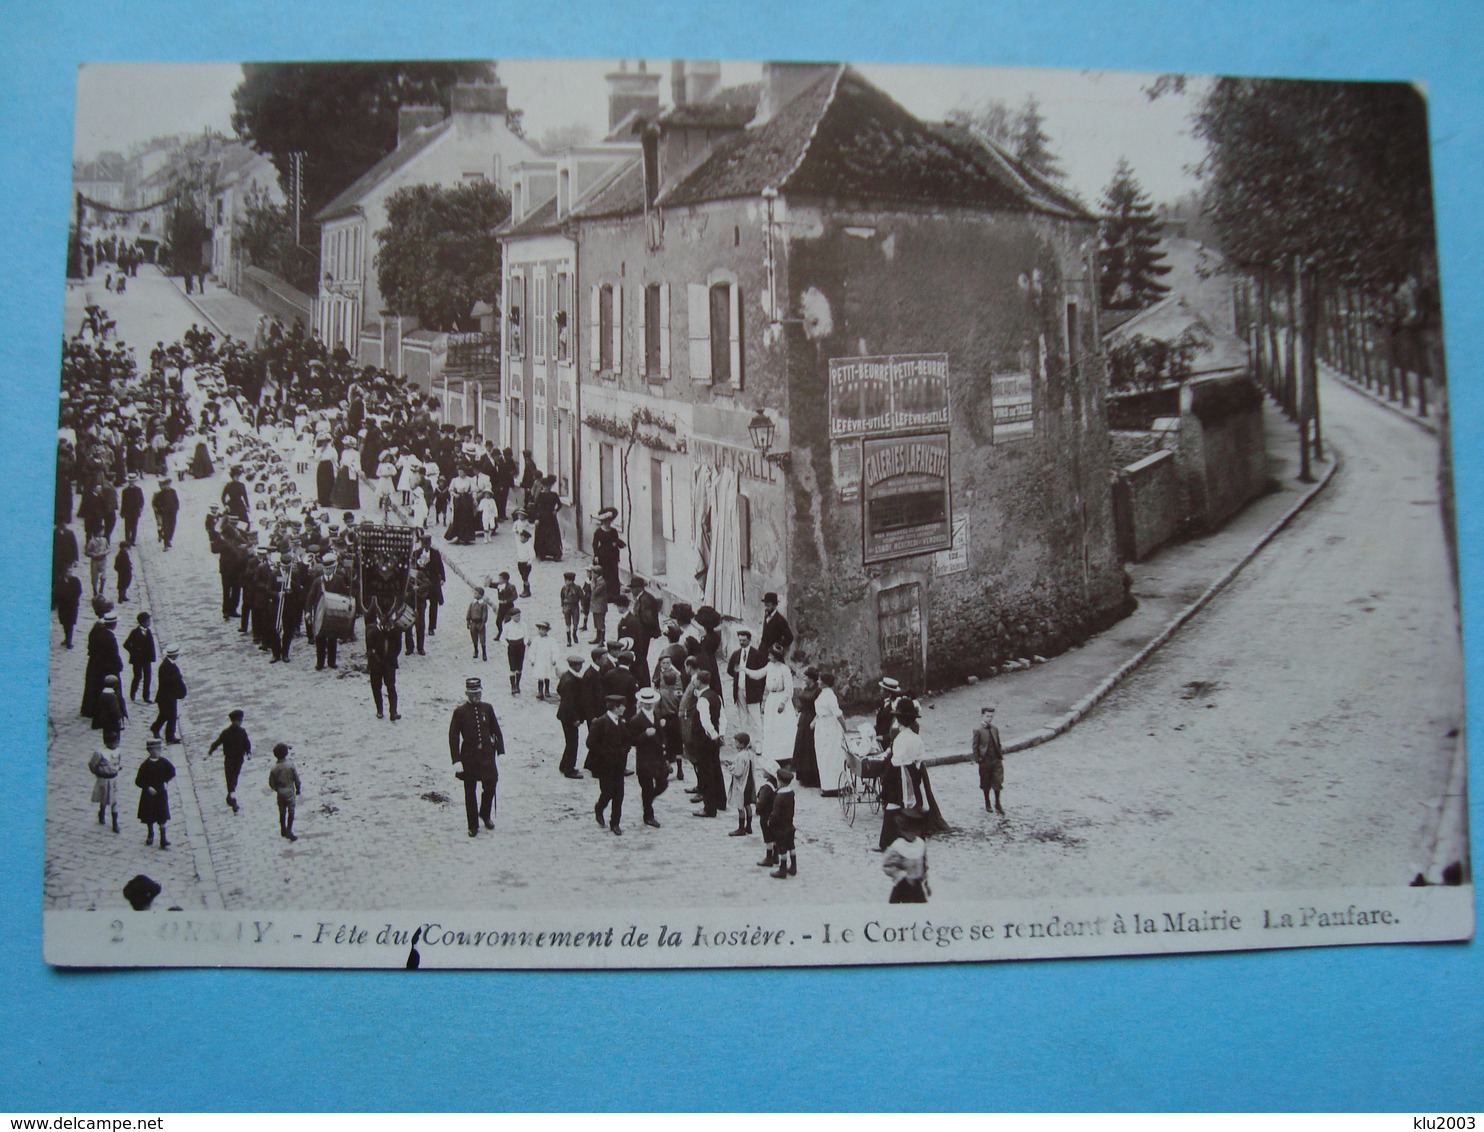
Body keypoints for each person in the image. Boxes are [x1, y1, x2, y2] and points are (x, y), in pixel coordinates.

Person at [448, 677, 504, 837]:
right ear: (467, 693)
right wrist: (456, 760)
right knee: (470, 791)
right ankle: (473, 824)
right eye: (473, 694)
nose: (476, 696)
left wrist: (501, 751)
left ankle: (485, 814)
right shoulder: (459, 712)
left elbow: (496, 731)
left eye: (478, 693)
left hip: (487, 755)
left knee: (491, 784)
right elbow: (453, 736)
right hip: (469, 757)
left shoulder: (487, 708)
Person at [586, 694, 631, 836]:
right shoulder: (600, 723)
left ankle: (615, 823)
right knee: (608, 792)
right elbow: (590, 743)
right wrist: (605, 754)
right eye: (622, 706)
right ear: (616, 708)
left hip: (618, 765)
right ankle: (599, 807)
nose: (625, 708)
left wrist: (624, 749)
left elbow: (627, 739)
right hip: (604, 766)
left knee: (619, 794)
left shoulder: (621, 722)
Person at [747, 643, 797, 767]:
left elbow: (789, 689)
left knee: (782, 728)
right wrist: (745, 670)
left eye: (770, 655)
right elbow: (758, 674)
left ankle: (785, 756)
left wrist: (783, 702)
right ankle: (773, 754)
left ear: (776, 656)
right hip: (772, 699)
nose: (768, 656)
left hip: (781, 700)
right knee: (770, 726)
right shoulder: (769, 666)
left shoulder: (784, 670)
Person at [690, 670, 728, 818]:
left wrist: (713, 735)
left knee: (706, 772)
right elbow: (723, 718)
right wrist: (721, 735)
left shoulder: (703, 700)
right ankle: (721, 800)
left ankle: (709, 807)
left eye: (695, 681)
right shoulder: (716, 696)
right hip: (714, 739)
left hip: (704, 740)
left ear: (699, 682)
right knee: (715, 768)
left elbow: (706, 722)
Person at [629, 687, 669, 828]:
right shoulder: (636, 720)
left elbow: (661, 735)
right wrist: (645, 735)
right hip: (644, 758)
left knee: (663, 783)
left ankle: (648, 800)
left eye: (650, 702)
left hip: (657, 757)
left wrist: (664, 745)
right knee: (646, 787)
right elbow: (632, 741)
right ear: (641, 703)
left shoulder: (656, 714)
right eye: (646, 702)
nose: (648, 705)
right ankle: (648, 815)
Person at [207, 708, 252, 813]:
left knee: (233, 777)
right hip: (231, 759)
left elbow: (246, 743)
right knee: (231, 778)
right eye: (239, 720)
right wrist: (211, 750)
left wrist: (248, 752)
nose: (240, 722)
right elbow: (218, 742)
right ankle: (233, 799)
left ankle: (230, 795)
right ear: (234, 721)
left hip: (237, 759)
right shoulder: (229, 732)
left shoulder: (239, 732)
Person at [80, 611, 122, 719]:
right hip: (107, 667)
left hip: (94, 664)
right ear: (113, 624)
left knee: (93, 687)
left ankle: (89, 709)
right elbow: (114, 655)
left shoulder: (96, 631)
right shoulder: (110, 638)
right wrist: (119, 666)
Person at [135, 737, 175, 848]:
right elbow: (138, 781)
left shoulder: (164, 762)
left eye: (158, 749)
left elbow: (172, 771)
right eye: (153, 750)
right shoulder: (145, 765)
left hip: (161, 794)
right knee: (149, 816)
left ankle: (163, 838)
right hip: (149, 796)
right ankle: (150, 834)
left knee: (162, 816)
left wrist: (166, 782)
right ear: (149, 751)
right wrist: (147, 787)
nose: (156, 752)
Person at [813, 671, 847, 797]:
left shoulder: (830, 695)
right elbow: (820, 711)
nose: (818, 682)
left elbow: (838, 714)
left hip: (830, 727)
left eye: (820, 680)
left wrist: (845, 729)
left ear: (825, 682)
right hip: (822, 726)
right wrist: (814, 721)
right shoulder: (822, 694)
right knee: (822, 754)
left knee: (831, 754)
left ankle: (835, 786)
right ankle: (826, 785)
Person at [726, 629, 765, 732]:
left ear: (749, 640)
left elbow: (762, 674)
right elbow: (730, 670)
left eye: (744, 640)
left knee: (755, 719)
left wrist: (758, 689)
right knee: (743, 717)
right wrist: (737, 677)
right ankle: (746, 741)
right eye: (740, 640)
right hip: (739, 689)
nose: (742, 643)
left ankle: (758, 745)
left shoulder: (756, 654)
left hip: (752, 690)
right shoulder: (736, 654)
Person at [365, 613, 402, 721]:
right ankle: (380, 710)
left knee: (391, 687)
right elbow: (369, 643)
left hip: (389, 663)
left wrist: (390, 629)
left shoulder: (395, 630)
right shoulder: (372, 628)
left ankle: (393, 712)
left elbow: (398, 648)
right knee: (376, 687)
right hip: (376, 663)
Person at [556, 654, 587, 779]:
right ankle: (569, 769)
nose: (581, 667)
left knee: (569, 741)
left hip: (564, 715)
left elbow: (559, 690)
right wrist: (575, 718)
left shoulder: (565, 676)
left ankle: (564, 764)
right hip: (569, 717)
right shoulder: (570, 681)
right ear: (575, 665)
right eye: (580, 665)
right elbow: (569, 703)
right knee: (573, 742)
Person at [973, 705, 1006, 814]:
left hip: (996, 759)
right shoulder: (978, 730)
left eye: (991, 716)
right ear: (982, 716)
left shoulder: (995, 729)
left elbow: (998, 743)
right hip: (985, 760)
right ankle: (987, 802)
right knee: (985, 782)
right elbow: (975, 746)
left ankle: (997, 803)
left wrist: (1000, 755)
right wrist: (978, 759)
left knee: (998, 781)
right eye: (987, 716)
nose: (989, 719)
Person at [151, 645, 187, 744]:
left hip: (170, 696)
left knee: (164, 715)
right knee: (171, 716)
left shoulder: (169, 664)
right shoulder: (165, 666)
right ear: (174, 655)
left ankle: (155, 728)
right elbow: (167, 681)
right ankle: (170, 737)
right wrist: (178, 677)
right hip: (166, 696)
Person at [88, 731, 123, 833]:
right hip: (103, 779)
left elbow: (118, 761)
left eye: (117, 742)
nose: (116, 744)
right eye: (114, 742)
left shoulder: (118, 751)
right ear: (107, 743)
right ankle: (102, 811)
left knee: (114, 800)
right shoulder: (100, 753)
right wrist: (98, 773)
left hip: (113, 779)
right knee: (104, 797)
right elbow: (92, 764)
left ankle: (115, 822)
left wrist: (117, 768)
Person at [793, 666, 820, 788]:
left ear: (811, 679)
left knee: (810, 747)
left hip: (811, 718)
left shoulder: (817, 691)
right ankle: (803, 776)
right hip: (803, 718)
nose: (804, 679)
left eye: (806, 677)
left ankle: (812, 777)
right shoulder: (805, 689)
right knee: (801, 744)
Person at [725, 731, 757, 837]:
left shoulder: (740, 756)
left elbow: (738, 772)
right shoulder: (749, 754)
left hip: (742, 784)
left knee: (741, 806)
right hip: (750, 782)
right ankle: (749, 826)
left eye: (737, 742)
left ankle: (741, 828)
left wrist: (730, 767)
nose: (735, 744)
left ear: (742, 744)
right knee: (748, 805)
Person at [268, 742, 302, 841]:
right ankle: (289, 830)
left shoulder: (274, 768)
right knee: (291, 811)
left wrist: (276, 789)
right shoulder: (290, 766)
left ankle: (283, 828)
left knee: (282, 811)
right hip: (290, 791)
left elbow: (271, 783)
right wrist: (298, 789)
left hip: (280, 792)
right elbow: (297, 779)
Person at [769, 763, 798, 879]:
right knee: (791, 846)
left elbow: (775, 814)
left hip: (781, 827)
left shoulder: (779, 797)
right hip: (790, 825)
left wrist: (771, 821)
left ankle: (782, 869)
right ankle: (794, 866)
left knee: (782, 848)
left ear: (779, 781)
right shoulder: (791, 793)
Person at [883, 832, 929, 903]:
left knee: (921, 909)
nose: (912, 834)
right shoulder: (898, 846)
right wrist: (900, 874)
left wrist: (925, 882)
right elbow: (887, 865)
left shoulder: (920, 844)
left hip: (917, 885)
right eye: (909, 831)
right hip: (902, 885)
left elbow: (923, 864)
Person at [123, 611, 156, 703]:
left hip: (147, 659)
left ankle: (146, 696)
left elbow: (151, 646)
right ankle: (133, 693)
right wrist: (134, 651)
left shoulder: (148, 632)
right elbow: (126, 644)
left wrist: (152, 657)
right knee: (138, 676)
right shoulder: (134, 632)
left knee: (148, 677)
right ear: (142, 622)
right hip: (137, 660)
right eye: (148, 620)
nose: (149, 622)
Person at [591, 508, 625, 597]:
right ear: (603, 522)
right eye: (606, 521)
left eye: (609, 521)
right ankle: (604, 594)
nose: (608, 523)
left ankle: (613, 594)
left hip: (612, 555)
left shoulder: (613, 531)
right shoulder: (598, 532)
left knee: (613, 574)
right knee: (604, 574)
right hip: (603, 555)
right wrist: (596, 555)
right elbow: (595, 544)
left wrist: (616, 543)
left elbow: (616, 540)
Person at [533, 474, 563, 561]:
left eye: (548, 486)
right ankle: (541, 553)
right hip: (541, 518)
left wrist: (556, 510)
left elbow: (560, 505)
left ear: (551, 486)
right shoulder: (540, 495)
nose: (547, 488)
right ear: (542, 486)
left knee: (552, 535)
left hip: (551, 518)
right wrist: (536, 518)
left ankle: (555, 553)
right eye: (545, 486)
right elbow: (535, 507)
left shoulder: (554, 495)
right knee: (541, 536)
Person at [526, 619, 558, 701]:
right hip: (539, 660)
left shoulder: (551, 640)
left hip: (548, 660)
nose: (541, 631)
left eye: (543, 629)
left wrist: (554, 659)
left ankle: (547, 690)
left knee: (547, 675)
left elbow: (555, 650)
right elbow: (532, 650)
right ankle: (540, 691)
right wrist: (532, 659)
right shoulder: (536, 640)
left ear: (547, 630)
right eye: (539, 629)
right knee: (540, 676)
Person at [54, 565, 83, 649]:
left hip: (72, 606)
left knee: (70, 623)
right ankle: (67, 638)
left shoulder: (75, 581)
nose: (69, 573)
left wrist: (71, 597)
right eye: (67, 572)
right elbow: (57, 592)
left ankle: (69, 640)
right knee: (64, 623)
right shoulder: (60, 581)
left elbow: (78, 592)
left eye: (70, 572)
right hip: (63, 606)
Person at [758, 592, 794, 658]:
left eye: (768, 606)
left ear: (774, 605)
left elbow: (789, 637)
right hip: (762, 653)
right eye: (765, 605)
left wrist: (777, 645)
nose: (766, 608)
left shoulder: (780, 620)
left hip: (773, 655)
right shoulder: (766, 616)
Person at [503, 607, 527, 695]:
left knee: (519, 667)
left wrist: (524, 642)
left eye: (519, 616)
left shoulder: (523, 624)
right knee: (512, 667)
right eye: (516, 616)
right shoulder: (507, 626)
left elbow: (526, 635)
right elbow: (503, 638)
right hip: (512, 646)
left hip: (521, 646)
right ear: (512, 616)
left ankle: (518, 684)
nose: (518, 617)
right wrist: (508, 645)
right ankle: (513, 686)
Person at [151, 476, 179, 550]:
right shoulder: (161, 494)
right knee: (166, 527)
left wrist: (176, 508)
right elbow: (155, 503)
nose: (168, 486)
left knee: (172, 526)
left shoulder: (173, 491)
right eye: (166, 485)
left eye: (169, 484)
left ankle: (169, 539)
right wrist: (161, 509)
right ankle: (166, 544)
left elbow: (176, 500)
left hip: (173, 512)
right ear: (164, 485)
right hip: (165, 513)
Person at [560, 571, 583, 646]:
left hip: (575, 606)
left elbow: (581, 597)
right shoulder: (564, 588)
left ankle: (574, 633)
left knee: (575, 622)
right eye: (565, 580)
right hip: (567, 606)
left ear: (572, 580)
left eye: (567, 580)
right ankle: (568, 639)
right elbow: (562, 597)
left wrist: (582, 606)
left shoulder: (577, 588)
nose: (566, 582)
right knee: (567, 623)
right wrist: (562, 607)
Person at [466, 586, 490, 661]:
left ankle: (484, 652)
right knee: (474, 637)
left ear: (481, 595)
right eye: (474, 593)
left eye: (476, 594)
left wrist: (483, 623)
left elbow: (484, 614)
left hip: (480, 622)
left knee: (482, 638)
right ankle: (476, 650)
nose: (475, 595)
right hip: (473, 622)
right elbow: (469, 612)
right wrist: (468, 621)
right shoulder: (472, 603)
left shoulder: (483, 604)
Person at [85, 531, 109, 601]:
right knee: (94, 577)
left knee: (103, 576)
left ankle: (101, 590)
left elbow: (108, 548)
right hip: (95, 561)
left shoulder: (104, 540)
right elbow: (87, 552)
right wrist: (93, 554)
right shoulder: (91, 542)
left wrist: (106, 552)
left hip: (103, 560)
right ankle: (95, 591)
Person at [120, 474, 144, 546]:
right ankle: (127, 540)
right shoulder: (125, 491)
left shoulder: (138, 490)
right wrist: (122, 512)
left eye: (133, 481)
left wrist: (140, 507)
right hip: (127, 511)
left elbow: (141, 500)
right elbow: (123, 502)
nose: (132, 483)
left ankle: (133, 540)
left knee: (134, 526)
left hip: (135, 511)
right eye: (130, 481)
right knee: (127, 526)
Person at [587, 567, 609, 645]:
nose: (592, 574)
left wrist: (592, 581)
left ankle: (602, 640)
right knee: (596, 622)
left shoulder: (601, 582)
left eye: (593, 573)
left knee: (600, 623)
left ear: (597, 574)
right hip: (595, 605)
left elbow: (594, 591)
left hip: (600, 605)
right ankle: (598, 637)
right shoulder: (597, 581)